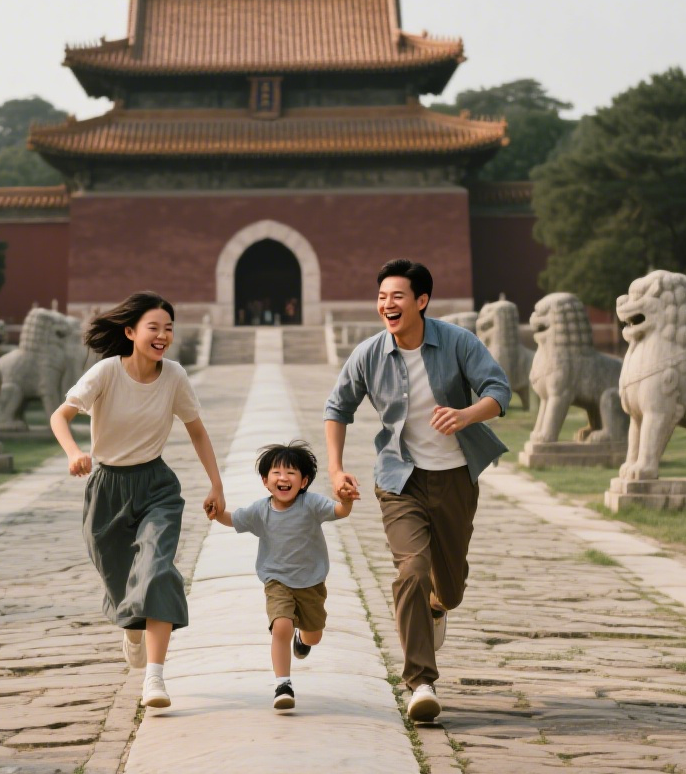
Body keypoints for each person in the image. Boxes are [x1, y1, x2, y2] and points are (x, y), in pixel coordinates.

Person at [324, 259, 511, 722]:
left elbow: (499, 389)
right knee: (411, 570)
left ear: (421, 301)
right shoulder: (369, 353)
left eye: (398, 297)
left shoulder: (457, 342)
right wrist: (334, 469)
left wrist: (467, 414)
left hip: (455, 479)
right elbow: (337, 407)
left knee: (449, 589)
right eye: (383, 297)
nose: (388, 305)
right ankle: (421, 682)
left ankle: (438, 605)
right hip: (399, 481)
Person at [50, 291, 225, 711]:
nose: (163, 335)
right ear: (130, 332)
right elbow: (61, 415)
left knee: (157, 570)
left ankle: (155, 678)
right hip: (107, 489)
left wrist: (216, 485)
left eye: (168, 328)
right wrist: (75, 454)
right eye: (154, 327)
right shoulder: (106, 372)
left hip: (156, 487)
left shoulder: (175, 376)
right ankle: (132, 626)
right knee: (120, 581)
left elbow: (197, 431)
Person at [210, 441, 353, 711]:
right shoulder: (260, 511)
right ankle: (283, 684)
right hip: (276, 580)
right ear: (265, 481)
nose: (283, 478)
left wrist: (346, 501)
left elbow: (339, 511)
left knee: (313, 636)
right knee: (281, 626)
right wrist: (217, 514)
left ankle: (303, 640)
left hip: (311, 582)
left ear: (304, 481)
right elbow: (234, 519)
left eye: (291, 473)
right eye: (276, 473)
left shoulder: (311, 504)